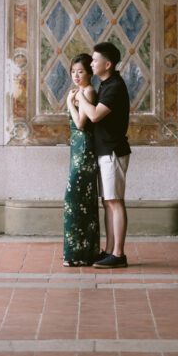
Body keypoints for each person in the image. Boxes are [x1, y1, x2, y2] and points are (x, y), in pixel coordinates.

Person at [76, 41, 131, 268]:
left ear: (107, 64)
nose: (91, 63)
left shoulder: (115, 86)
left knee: (115, 202)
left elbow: (95, 115)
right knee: (108, 202)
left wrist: (80, 97)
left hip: (113, 151)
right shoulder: (107, 84)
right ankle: (109, 251)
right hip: (105, 151)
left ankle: (118, 254)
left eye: (95, 60)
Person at [63, 53, 101, 267]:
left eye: (81, 72)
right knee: (79, 200)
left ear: (89, 73)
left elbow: (80, 124)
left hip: (85, 150)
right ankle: (78, 252)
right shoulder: (78, 91)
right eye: (73, 72)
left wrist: (70, 102)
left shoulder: (88, 92)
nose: (76, 75)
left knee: (75, 198)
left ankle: (81, 253)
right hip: (76, 149)